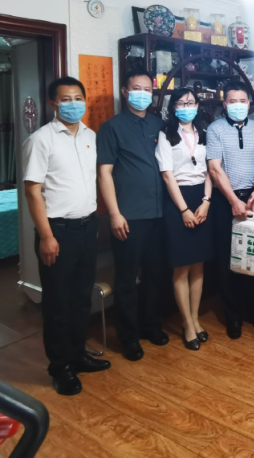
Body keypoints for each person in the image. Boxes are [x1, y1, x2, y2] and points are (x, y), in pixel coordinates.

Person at [22, 77, 110, 396]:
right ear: (53, 104)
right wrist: (46, 236)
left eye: (78, 98)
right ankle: (59, 368)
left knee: (81, 298)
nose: (74, 104)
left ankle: (77, 355)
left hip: (86, 228)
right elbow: (33, 191)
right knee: (58, 303)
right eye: (66, 99)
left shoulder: (90, 136)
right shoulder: (40, 140)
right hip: (57, 232)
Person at [97, 70, 168, 362]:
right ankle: (128, 337)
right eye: (136, 88)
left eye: (147, 89)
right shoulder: (111, 127)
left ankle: (151, 325)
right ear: (125, 92)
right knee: (127, 278)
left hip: (160, 213)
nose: (142, 93)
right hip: (129, 216)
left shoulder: (159, 124)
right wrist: (114, 214)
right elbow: (104, 173)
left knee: (155, 275)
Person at [207, 81, 254, 340]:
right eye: (232, 101)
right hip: (225, 202)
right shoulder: (215, 129)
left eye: (242, 101)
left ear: (249, 104)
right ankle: (233, 316)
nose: (238, 105)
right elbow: (215, 168)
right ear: (225, 104)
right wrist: (233, 200)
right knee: (228, 259)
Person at [156, 87, 213, 351]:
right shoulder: (166, 134)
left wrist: (206, 201)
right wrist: (183, 210)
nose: (186, 107)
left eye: (190, 102)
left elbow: (210, 171)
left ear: (198, 105)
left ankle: (196, 318)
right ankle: (187, 323)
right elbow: (167, 175)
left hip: (202, 198)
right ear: (173, 107)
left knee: (198, 264)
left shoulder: (204, 133)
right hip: (178, 199)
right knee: (181, 266)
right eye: (181, 103)